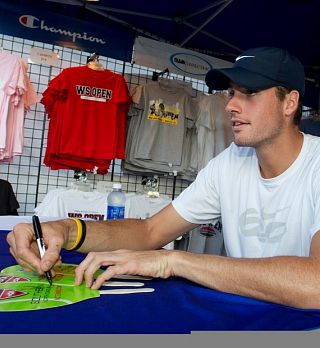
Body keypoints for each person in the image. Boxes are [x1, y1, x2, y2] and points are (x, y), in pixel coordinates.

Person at [7, 47, 320, 309]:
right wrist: (64, 229)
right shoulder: (229, 164)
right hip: (254, 319)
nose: (231, 106)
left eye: (249, 93)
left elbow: (315, 285)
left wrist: (174, 262)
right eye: (231, 93)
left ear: (289, 103)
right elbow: (149, 231)